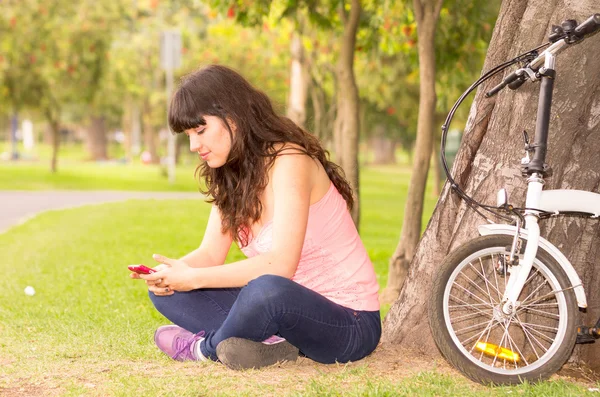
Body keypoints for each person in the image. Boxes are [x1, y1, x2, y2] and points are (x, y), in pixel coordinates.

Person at [131, 64, 381, 370]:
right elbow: (210, 254)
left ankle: (204, 349)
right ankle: (269, 343)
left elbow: (281, 266)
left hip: (348, 322)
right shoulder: (229, 175)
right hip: (284, 313)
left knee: (265, 290)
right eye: (188, 135)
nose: (194, 146)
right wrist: (169, 274)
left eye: (200, 130)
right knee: (167, 292)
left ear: (232, 119)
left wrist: (193, 278)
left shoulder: (290, 161)